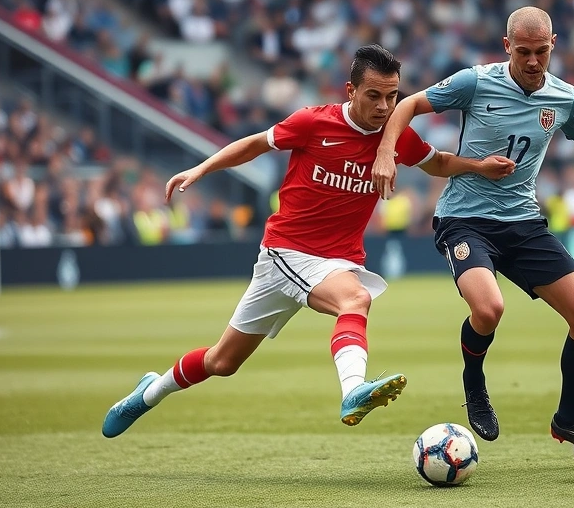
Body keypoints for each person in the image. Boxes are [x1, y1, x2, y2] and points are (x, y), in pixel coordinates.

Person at [102, 45, 515, 438]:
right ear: (350, 90)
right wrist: (201, 169)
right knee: (349, 302)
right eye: (374, 96)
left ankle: (149, 391)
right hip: (287, 251)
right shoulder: (313, 122)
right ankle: (352, 389)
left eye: (392, 97)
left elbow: (437, 162)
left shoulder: (395, 137)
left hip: (337, 260)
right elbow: (254, 145)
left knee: (225, 360)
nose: (385, 107)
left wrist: (478, 166)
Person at [371, 7, 574, 445]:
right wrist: (386, 152)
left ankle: (566, 420)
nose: (533, 61)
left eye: (541, 52)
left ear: (554, 45)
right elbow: (408, 105)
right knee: (488, 310)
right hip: (465, 220)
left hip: (524, 222)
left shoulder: (564, 98)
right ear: (506, 46)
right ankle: (474, 385)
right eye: (523, 52)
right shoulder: (475, 82)